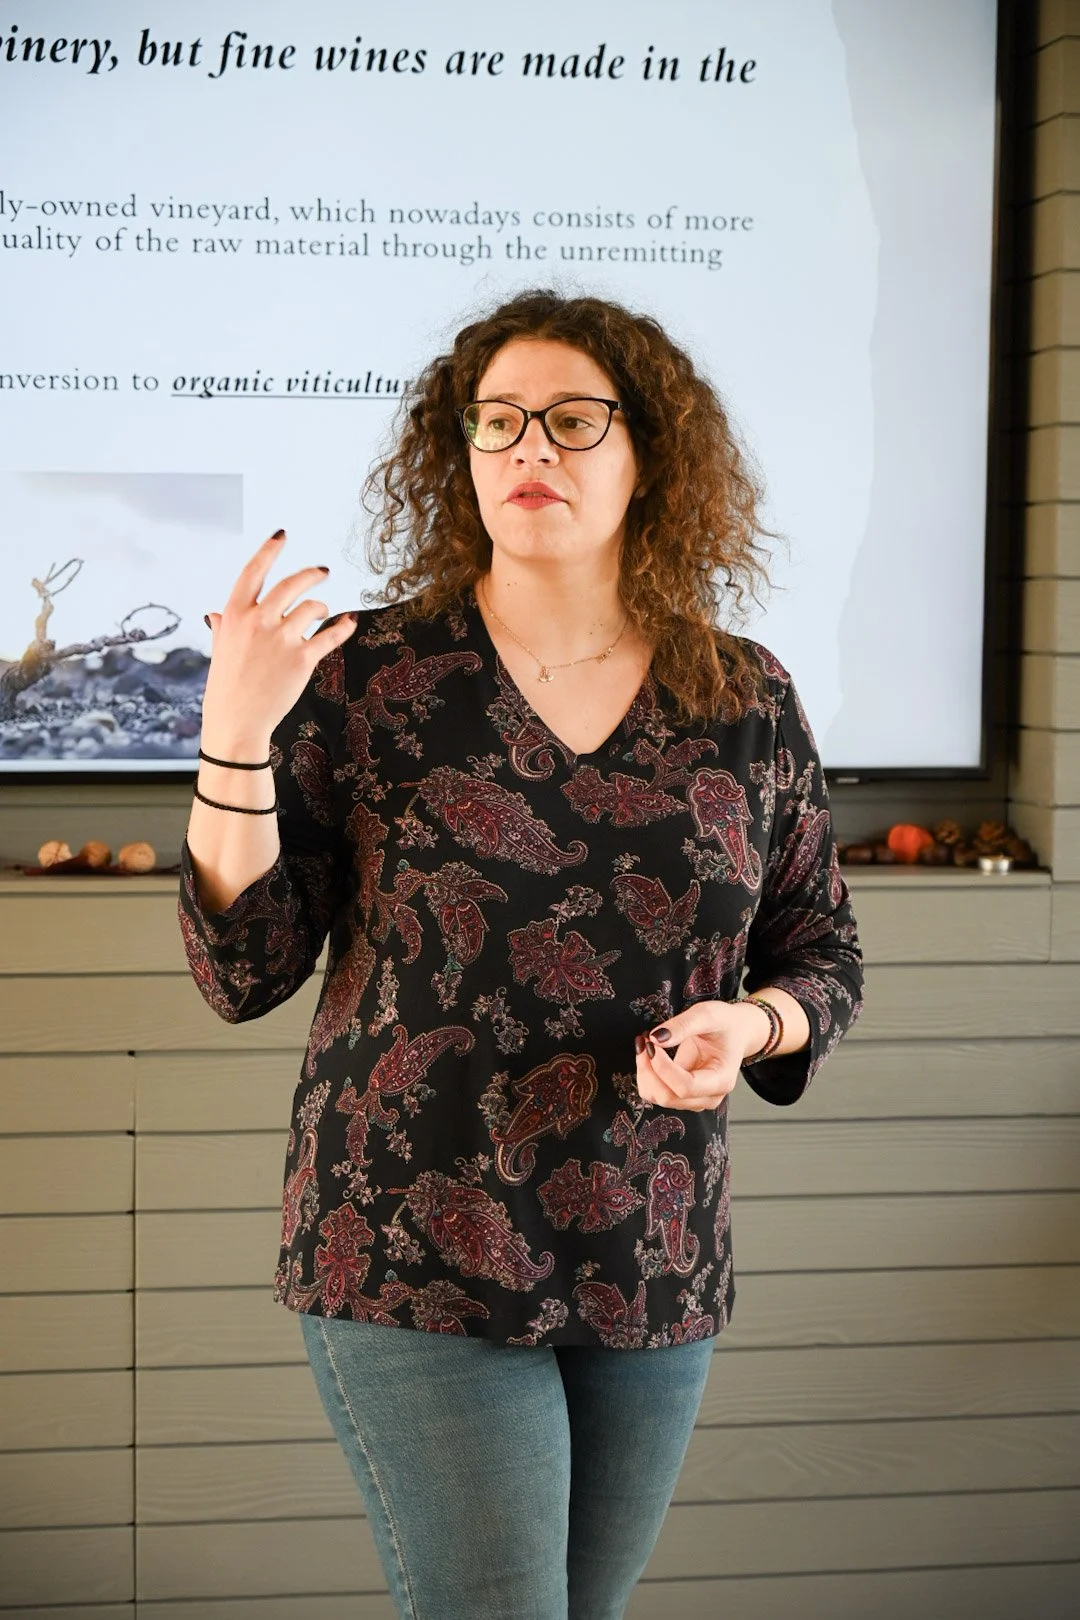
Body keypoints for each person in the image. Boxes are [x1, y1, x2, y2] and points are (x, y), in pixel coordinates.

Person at [179, 288, 864, 1620]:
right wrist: (235, 736)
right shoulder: (367, 678)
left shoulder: (744, 695)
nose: (528, 448)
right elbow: (242, 964)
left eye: (571, 419)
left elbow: (819, 944)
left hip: (653, 1250)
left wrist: (754, 1025)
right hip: (410, 1240)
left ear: (651, 452)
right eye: (496, 421)